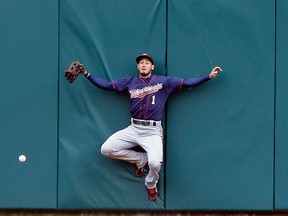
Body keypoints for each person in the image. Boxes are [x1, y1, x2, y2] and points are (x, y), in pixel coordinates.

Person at [81, 53, 222, 201]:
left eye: (147, 63)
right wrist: (87, 74)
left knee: (155, 163)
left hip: (152, 132)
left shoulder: (163, 82)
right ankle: (140, 159)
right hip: (134, 128)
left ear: (152, 66)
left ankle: (150, 183)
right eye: (141, 62)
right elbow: (107, 86)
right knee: (106, 149)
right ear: (138, 66)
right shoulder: (130, 81)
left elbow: (187, 82)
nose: (143, 64)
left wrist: (208, 77)